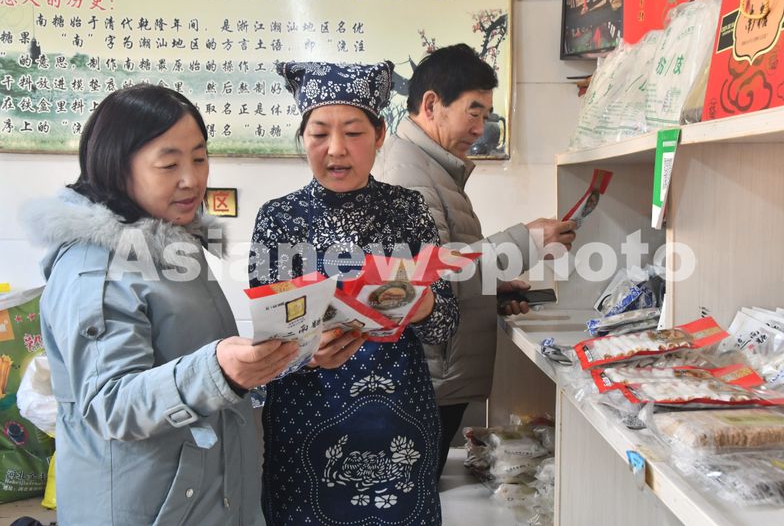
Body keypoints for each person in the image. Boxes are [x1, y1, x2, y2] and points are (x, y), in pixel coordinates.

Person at [21, 84, 301, 526]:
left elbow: (195, 359)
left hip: (201, 499)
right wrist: (220, 371)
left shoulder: (169, 245)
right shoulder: (95, 269)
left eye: (200, 158)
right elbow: (109, 403)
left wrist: (286, 356)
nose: (191, 179)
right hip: (145, 506)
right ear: (117, 168)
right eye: (169, 164)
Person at [249, 60, 458, 525]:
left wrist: (423, 303)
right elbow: (267, 340)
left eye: (353, 132)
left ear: (380, 134)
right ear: (303, 137)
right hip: (305, 416)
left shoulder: (408, 209)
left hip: (397, 414)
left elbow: (446, 325)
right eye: (319, 133)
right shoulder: (278, 219)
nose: (336, 149)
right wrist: (306, 352)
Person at [373, 44, 577, 478]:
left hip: (441, 372)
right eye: (474, 112)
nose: (481, 129)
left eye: (486, 116)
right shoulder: (407, 173)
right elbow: (425, 273)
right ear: (432, 104)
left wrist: (492, 290)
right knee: (416, 492)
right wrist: (527, 242)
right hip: (430, 375)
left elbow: (448, 264)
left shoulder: (432, 168)